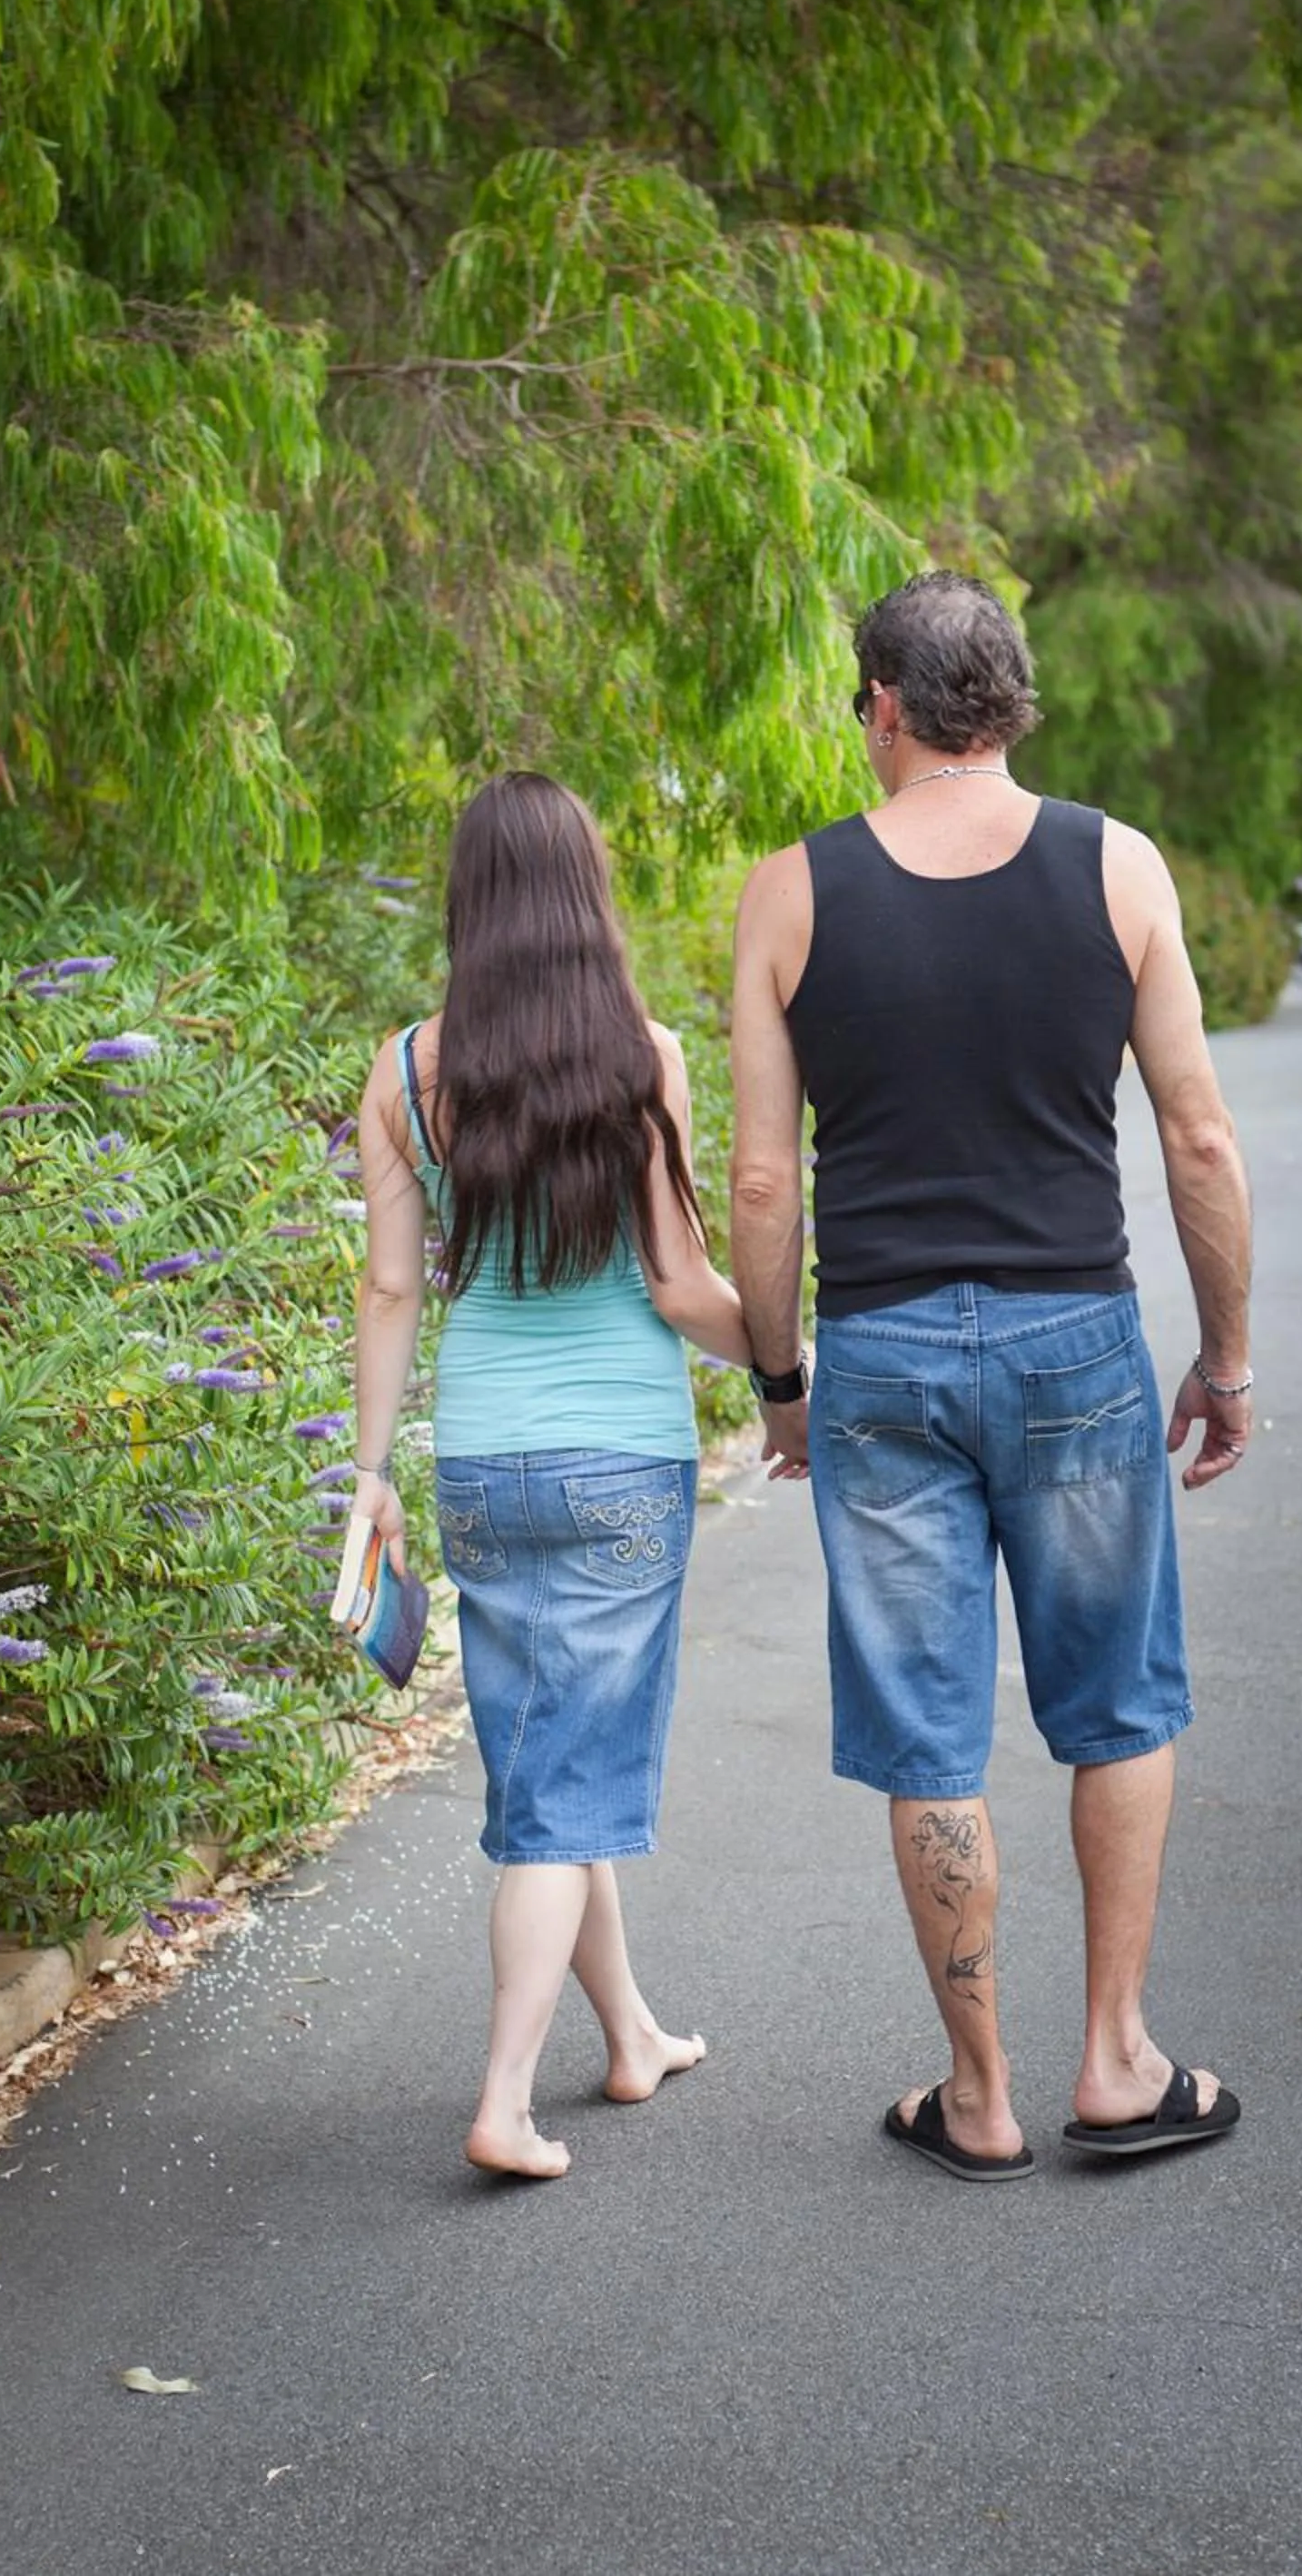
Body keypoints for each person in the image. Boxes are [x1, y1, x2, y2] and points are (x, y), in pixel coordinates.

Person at [728, 569, 1252, 2181]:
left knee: (928, 1732)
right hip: (1074, 1340)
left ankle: (978, 2096)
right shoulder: (1118, 866)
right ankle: (1116, 2060)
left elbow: (763, 1182)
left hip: (883, 1355)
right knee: (1116, 1703)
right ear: (1007, 700)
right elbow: (1197, 1138)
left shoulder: (791, 892)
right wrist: (1226, 1357)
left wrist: (781, 1381)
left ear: (884, 706)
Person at [350, 770, 753, 2180]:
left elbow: (391, 1291)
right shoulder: (642, 1058)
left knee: (552, 1753)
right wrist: (787, 1359)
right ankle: (505, 2102)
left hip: (482, 1462)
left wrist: (370, 1473)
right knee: (560, 1794)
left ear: (467, 900)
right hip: (621, 1462)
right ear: (586, 894)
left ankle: (630, 2035)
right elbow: (681, 1284)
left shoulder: (407, 1072)